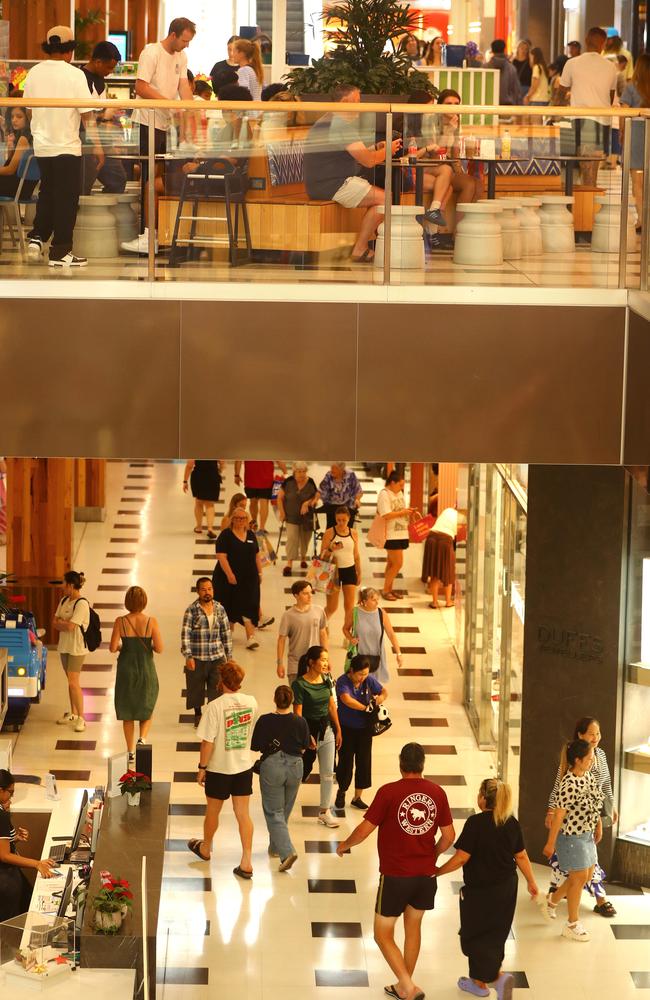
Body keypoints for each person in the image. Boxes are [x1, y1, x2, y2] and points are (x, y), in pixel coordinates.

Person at [336, 743, 455, 1000]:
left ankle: (407, 986)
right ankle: (405, 985)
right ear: (423, 764)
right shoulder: (437, 792)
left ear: (400, 763)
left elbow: (365, 829)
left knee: (381, 934)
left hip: (396, 876)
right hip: (425, 876)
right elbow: (449, 836)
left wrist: (345, 845)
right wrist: (431, 855)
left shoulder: (388, 792)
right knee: (413, 929)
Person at [434, 778, 538, 1000]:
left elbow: (461, 858)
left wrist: (437, 872)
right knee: (496, 932)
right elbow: (520, 855)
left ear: (483, 798)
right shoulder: (511, 822)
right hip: (507, 887)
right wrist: (531, 881)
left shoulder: (475, 823)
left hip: (481, 891)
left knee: (475, 933)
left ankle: (483, 983)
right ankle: (495, 977)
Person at [23, 24, 101, 267]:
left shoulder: (34, 72)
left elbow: (28, 111)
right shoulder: (75, 75)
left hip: (42, 146)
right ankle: (60, 251)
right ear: (70, 51)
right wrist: (98, 146)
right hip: (67, 146)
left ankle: (37, 237)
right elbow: (87, 115)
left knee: (47, 192)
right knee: (66, 198)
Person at [303, 84, 402, 263]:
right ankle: (360, 248)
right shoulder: (340, 125)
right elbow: (368, 161)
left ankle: (369, 243)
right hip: (332, 184)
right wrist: (387, 150)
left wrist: (376, 148)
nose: (360, 107)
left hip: (322, 183)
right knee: (385, 198)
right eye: (357, 101)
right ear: (345, 102)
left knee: (382, 197)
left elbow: (355, 154)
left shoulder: (328, 120)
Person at [121, 17, 195, 255]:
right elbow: (140, 87)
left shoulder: (182, 57)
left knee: (160, 177)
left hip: (165, 123)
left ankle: (155, 232)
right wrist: (169, 104)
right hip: (148, 121)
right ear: (173, 35)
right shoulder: (150, 52)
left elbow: (184, 87)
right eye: (184, 40)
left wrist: (190, 111)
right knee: (150, 176)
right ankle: (147, 233)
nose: (186, 45)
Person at [189, 661, 258, 879]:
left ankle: (206, 848)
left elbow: (207, 742)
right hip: (243, 766)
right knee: (243, 814)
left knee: (213, 812)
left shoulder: (215, 707)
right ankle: (246, 860)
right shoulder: (251, 702)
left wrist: (202, 768)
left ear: (221, 681)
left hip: (219, 768)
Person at [545, 716, 617, 917]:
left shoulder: (599, 756)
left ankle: (555, 898)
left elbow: (605, 784)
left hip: (589, 821)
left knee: (582, 870)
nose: (596, 737)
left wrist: (609, 809)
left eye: (598, 733)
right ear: (580, 735)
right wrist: (551, 812)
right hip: (574, 826)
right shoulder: (573, 763)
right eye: (591, 733)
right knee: (579, 870)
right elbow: (559, 789)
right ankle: (577, 915)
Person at [541, 738, 603, 941]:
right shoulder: (568, 783)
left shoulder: (588, 775)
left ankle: (552, 901)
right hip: (571, 837)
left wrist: (598, 825)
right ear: (577, 760)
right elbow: (559, 816)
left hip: (586, 834)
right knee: (578, 878)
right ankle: (572, 923)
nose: (592, 760)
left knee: (586, 875)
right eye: (589, 757)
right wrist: (550, 843)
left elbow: (595, 802)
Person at [251, 684, 310, 871]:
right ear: (292, 700)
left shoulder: (265, 720)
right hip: (295, 767)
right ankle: (275, 847)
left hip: (272, 768)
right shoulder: (301, 722)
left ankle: (287, 851)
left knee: (273, 811)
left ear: (274, 699)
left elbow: (256, 745)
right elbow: (304, 747)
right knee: (284, 810)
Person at [109, 586, 162, 766]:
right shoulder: (151, 621)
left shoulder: (120, 621)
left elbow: (112, 647)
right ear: (144, 601)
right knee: (146, 704)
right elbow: (160, 648)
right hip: (146, 667)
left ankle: (130, 751)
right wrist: (148, 646)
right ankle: (143, 739)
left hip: (126, 668)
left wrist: (125, 647)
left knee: (127, 711)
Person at [559, 27, 617, 186]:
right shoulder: (611, 67)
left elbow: (560, 92)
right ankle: (587, 207)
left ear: (585, 41)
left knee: (571, 170)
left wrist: (557, 111)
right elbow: (610, 98)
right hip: (601, 122)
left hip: (577, 119)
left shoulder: (572, 63)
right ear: (603, 44)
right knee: (591, 173)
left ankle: (576, 207)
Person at [292, 645, 342, 828]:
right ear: (311, 662)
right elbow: (297, 714)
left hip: (326, 729)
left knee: (328, 773)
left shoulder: (327, 680)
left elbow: (331, 706)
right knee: (300, 772)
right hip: (307, 730)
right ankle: (286, 806)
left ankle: (324, 811)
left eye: (327, 659)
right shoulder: (299, 684)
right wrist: (305, 736)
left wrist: (338, 729)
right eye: (322, 659)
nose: (325, 663)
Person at [0, 770, 56, 921]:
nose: (11, 797)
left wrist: (14, 838)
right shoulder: (1, 815)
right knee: (11, 924)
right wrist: (36, 863)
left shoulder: (3, 811)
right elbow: (4, 855)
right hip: (5, 881)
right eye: (10, 792)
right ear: (1, 790)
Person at [335, 654, 388, 810]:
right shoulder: (343, 682)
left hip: (364, 730)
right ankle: (342, 791)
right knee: (345, 762)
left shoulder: (368, 680)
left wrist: (379, 700)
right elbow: (346, 699)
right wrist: (365, 707)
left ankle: (357, 797)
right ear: (351, 671)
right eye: (360, 674)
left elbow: (384, 691)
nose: (363, 677)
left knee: (364, 762)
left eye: (366, 674)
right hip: (346, 729)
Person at [181, 577, 233, 726]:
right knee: (195, 687)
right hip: (197, 657)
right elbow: (185, 634)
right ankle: (198, 714)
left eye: (209, 589)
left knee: (217, 688)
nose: (207, 592)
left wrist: (229, 656)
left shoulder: (219, 608)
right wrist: (188, 656)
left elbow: (226, 633)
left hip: (217, 657)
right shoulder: (191, 610)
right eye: (203, 589)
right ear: (198, 591)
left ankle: (213, 716)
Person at [80, 41, 127, 196]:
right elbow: (85, 115)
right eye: (109, 67)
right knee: (83, 186)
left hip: (100, 139)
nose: (110, 71)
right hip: (84, 141)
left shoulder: (100, 80)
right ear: (98, 62)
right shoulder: (80, 79)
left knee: (118, 179)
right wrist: (104, 117)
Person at [212, 507, 263, 649]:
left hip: (249, 578)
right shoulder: (225, 535)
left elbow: (257, 555)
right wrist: (229, 574)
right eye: (237, 518)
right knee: (228, 604)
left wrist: (259, 573)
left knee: (249, 605)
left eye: (243, 518)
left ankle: (251, 637)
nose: (241, 521)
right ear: (232, 520)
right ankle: (227, 632)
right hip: (228, 577)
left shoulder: (251, 535)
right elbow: (221, 556)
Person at [53, 570, 90, 732]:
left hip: (76, 648)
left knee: (74, 682)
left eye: (64, 583)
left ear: (71, 585)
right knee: (70, 681)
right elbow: (54, 622)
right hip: (64, 646)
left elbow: (70, 626)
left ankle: (82, 717)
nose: (62, 586)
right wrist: (62, 623)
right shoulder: (63, 600)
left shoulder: (81, 604)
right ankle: (73, 713)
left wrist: (63, 623)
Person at [344, 586, 403, 685]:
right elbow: (345, 629)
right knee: (359, 685)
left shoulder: (381, 613)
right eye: (374, 600)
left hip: (377, 658)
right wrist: (350, 638)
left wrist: (399, 653)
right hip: (359, 657)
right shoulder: (355, 612)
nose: (377, 602)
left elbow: (391, 634)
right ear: (364, 601)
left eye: (377, 600)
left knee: (375, 687)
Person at [620, 53, 650, 234]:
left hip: (637, 135)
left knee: (637, 182)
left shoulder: (631, 87)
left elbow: (624, 114)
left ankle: (642, 219)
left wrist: (622, 133)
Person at [277, 580, 328, 684]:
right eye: (305, 593)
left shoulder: (319, 611)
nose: (310, 596)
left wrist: (326, 659)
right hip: (295, 664)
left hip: (316, 662)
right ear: (296, 595)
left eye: (311, 592)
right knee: (296, 697)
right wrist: (280, 663)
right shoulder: (288, 616)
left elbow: (323, 633)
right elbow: (281, 640)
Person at [277, 462, 320, 575]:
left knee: (305, 539)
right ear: (294, 472)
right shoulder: (288, 482)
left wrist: (307, 503)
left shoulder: (310, 482)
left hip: (307, 517)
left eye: (303, 472)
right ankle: (289, 562)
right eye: (299, 472)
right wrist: (282, 512)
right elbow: (279, 498)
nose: (301, 474)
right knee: (292, 538)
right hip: (291, 516)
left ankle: (303, 558)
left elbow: (316, 497)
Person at [320, 506, 361, 622]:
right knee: (332, 607)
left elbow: (356, 555)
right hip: (333, 572)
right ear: (335, 519)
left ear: (349, 519)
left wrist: (359, 572)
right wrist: (331, 549)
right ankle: (321, 625)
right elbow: (322, 555)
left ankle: (348, 634)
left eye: (344, 520)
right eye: (338, 520)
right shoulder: (329, 533)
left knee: (350, 607)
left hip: (350, 571)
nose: (341, 523)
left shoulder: (354, 533)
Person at [377, 471, 413, 601]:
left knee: (392, 563)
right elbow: (385, 514)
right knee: (398, 563)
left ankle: (389, 589)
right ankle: (386, 590)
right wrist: (402, 512)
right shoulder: (384, 494)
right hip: (391, 534)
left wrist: (407, 512)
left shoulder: (399, 493)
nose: (402, 487)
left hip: (401, 532)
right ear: (392, 482)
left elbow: (399, 509)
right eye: (400, 484)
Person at [234, 459, 286, 532]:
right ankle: (261, 527)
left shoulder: (245, 447)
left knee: (253, 502)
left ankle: (255, 524)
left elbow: (238, 459)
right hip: (264, 478)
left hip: (251, 477)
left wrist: (236, 474)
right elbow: (278, 459)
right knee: (263, 502)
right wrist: (285, 472)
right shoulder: (271, 447)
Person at [425, 506, 459, 608]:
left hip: (431, 537)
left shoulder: (447, 510)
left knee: (434, 572)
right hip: (445, 540)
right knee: (448, 571)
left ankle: (434, 602)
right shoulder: (462, 517)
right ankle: (448, 601)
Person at [0, 107, 36, 198]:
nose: (14, 120)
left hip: (19, 187)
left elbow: (10, 170)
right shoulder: (23, 136)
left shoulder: (24, 139)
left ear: (27, 118)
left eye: (19, 117)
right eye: (12, 117)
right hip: (21, 185)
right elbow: (11, 163)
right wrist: (10, 148)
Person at [183, 459, 224, 538]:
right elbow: (222, 462)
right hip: (213, 475)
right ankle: (210, 528)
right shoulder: (215, 447)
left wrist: (185, 481)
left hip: (199, 476)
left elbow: (190, 465)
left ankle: (199, 527)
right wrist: (219, 470)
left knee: (199, 502)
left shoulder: (197, 447)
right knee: (210, 504)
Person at [318, 462, 363, 527]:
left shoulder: (350, 475)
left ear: (341, 469)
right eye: (331, 468)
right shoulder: (329, 475)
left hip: (348, 507)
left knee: (347, 529)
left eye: (334, 468)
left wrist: (357, 499)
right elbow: (321, 489)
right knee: (331, 530)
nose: (332, 470)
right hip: (331, 507)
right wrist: (315, 500)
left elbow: (358, 490)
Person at [486, 40, 521, 106]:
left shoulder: (485, 68)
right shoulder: (511, 68)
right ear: (504, 50)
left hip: (488, 107)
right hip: (507, 107)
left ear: (492, 51)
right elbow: (516, 90)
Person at [232, 38, 264, 103]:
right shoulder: (253, 69)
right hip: (257, 108)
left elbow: (243, 92)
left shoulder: (244, 70)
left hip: (250, 110)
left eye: (234, 51)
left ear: (241, 53)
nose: (232, 55)